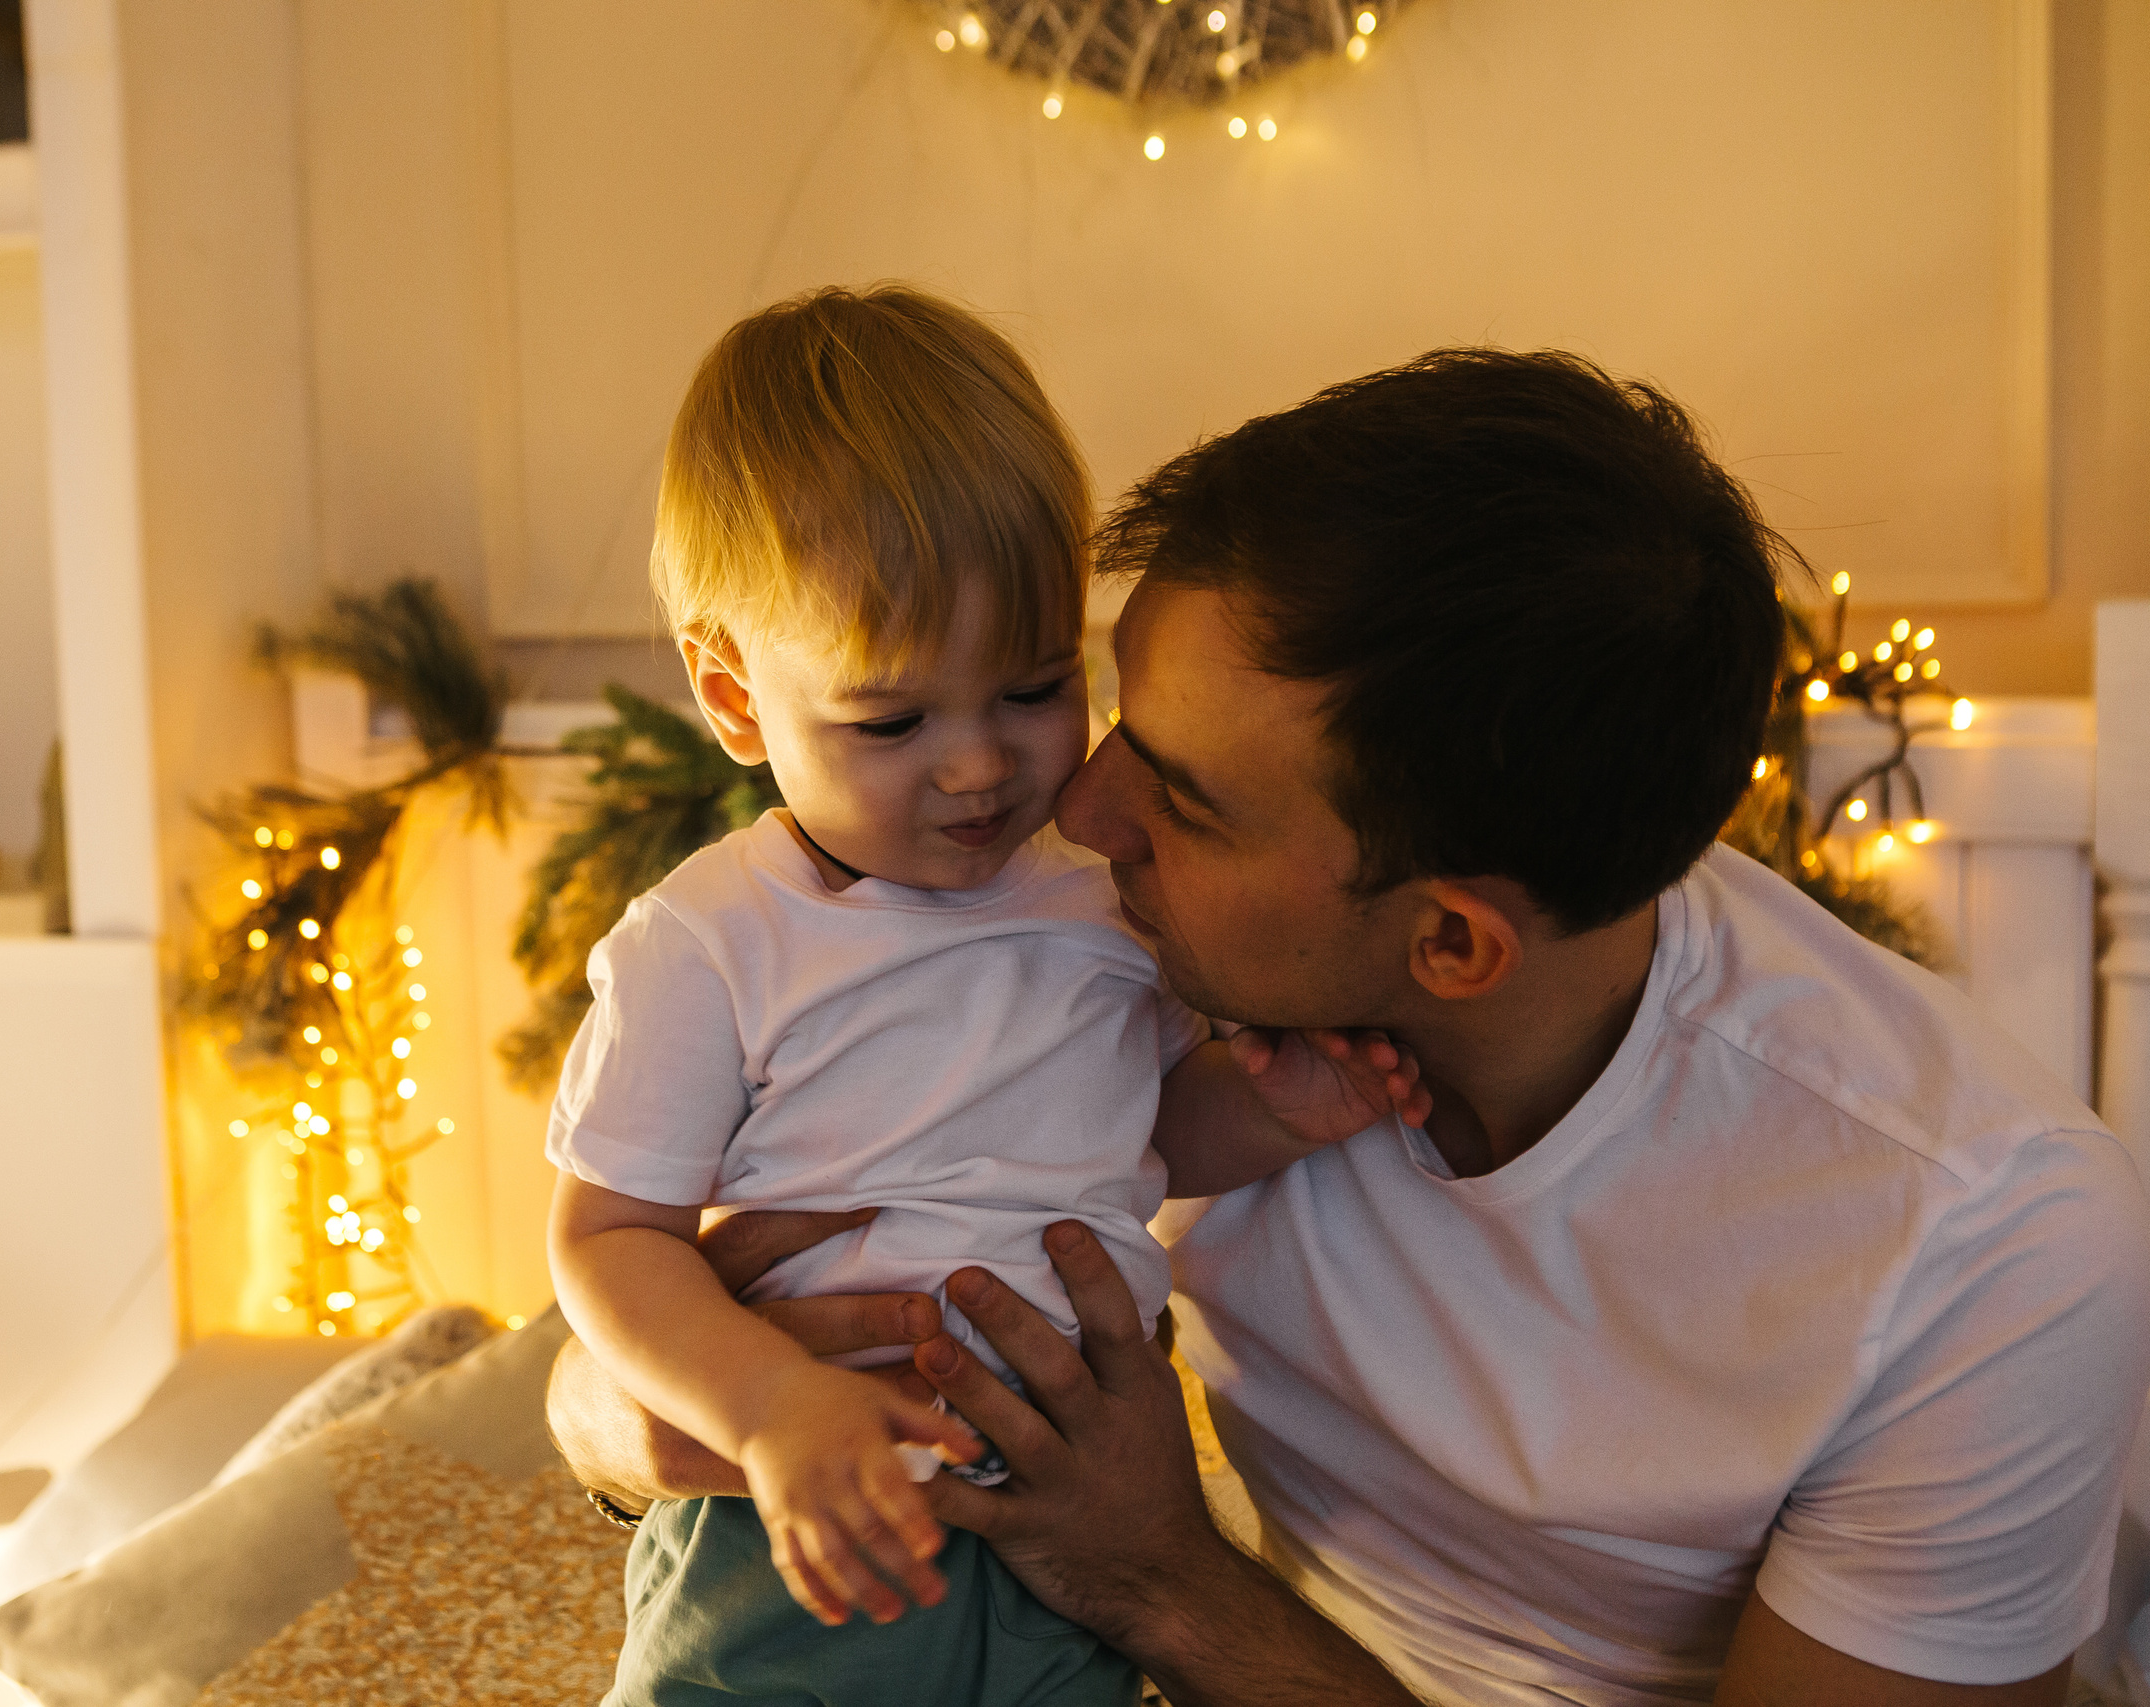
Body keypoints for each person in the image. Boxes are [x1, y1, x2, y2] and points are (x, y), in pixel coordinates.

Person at [552, 347, 2150, 1706]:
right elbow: (634, 1292)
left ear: (1447, 944)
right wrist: (653, 1417)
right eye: (1111, 713)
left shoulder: (1983, 1245)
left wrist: (1160, 1578)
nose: (1077, 811)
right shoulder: (1151, 938)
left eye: (1180, 799)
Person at [544, 285, 1424, 1706]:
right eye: (892, 720)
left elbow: (1138, 1135)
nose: (978, 767)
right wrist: (769, 1407)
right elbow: (604, 1240)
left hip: (1067, 1529)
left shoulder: (1100, 892)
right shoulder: (713, 940)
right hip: (801, 1530)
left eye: (1031, 688)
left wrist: (1275, 1111)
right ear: (734, 694)